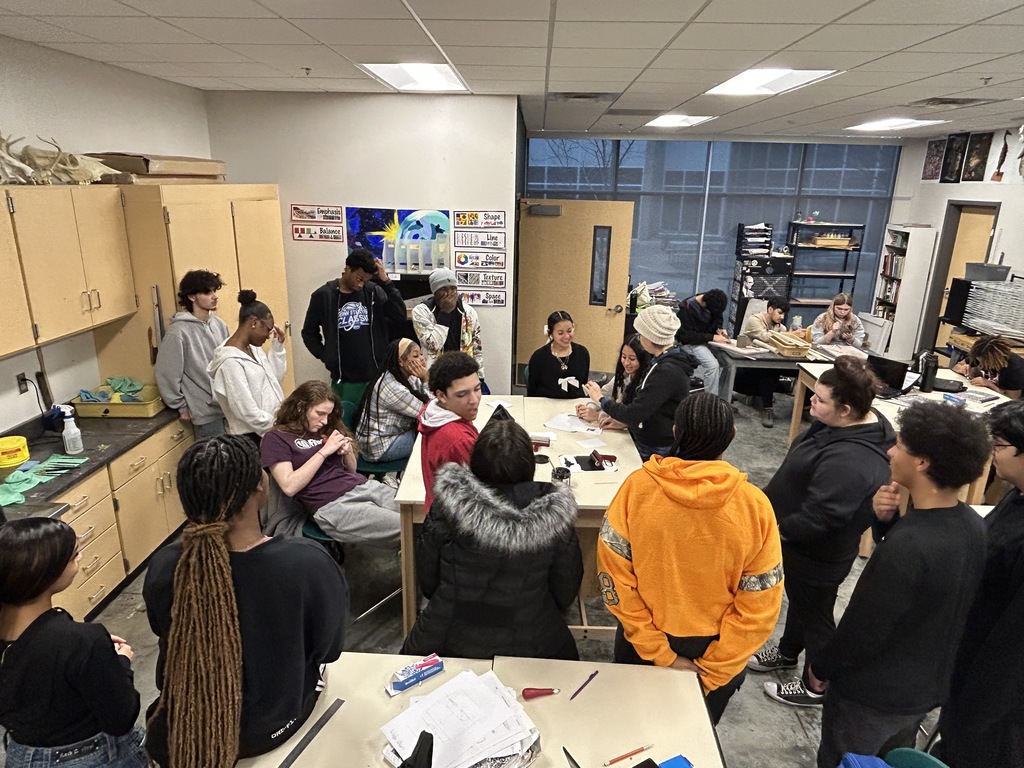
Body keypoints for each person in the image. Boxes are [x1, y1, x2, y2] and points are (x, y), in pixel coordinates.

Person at [145, 436, 349, 767]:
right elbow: (328, 650)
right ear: (260, 488)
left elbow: (160, 629)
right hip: (269, 728)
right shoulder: (307, 562)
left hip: (185, 730)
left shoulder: (167, 565)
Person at [807, 401, 989, 768]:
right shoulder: (971, 525)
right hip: (921, 690)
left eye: (900, 444)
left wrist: (821, 668)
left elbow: (865, 628)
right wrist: (887, 523)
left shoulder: (910, 546)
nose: (891, 451)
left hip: (871, 696)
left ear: (922, 462)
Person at [597, 393, 784, 724]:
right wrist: (713, 671)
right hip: (714, 648)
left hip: (641, 644)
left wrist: (661, 654)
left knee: (632, 730)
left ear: (675, 432)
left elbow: (614, 579)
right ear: (732, 436)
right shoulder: (755, 507)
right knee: (694, 739)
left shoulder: (637, 490)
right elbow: (761, 604)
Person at [753, 356, 895, 707]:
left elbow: (820, 519)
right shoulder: (849, 423)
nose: (810, 403)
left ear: (846, 410)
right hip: (799, 545)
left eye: (819, 400)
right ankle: (787, 652)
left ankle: (817, 684)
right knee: (802, 604)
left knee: (816, 616)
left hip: (815, 552)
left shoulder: (852, 461)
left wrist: (775, 532)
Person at [401, 420, 584, 660]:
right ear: (529, 464)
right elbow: (565, 592)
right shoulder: (554, 519)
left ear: (475, 461)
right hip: (533, 639)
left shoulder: (447, 508)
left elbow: (428, 582)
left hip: (449, 635)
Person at [0, 518, 147, 768]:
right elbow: (121, 718)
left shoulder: (73, 642)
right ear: (45, 573)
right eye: (74, 555)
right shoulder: (83, 641)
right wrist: (121, 662)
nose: (80, 557)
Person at [934, 400, 1024, 767]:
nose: (992, 454)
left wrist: (975, 715)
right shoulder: (1016, 494)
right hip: (968, 657)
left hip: (992, 700)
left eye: (999, 445)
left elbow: (1011, 648)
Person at [262, 381, 401, 548]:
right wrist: (324, 452)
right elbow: (289, 486)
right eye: (320, 413)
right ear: (300, 407)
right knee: (406, 527)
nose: (325, 421)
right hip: (331, 504)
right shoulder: (276, 438)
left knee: (419, 512)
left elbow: (352, 470)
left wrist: (347, 451)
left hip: (360, 486)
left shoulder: (323, 429)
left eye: (327, 415)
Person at [583, 305, 692, 461]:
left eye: (641, 334)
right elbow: (646, 408)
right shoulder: (661, 363)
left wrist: (601, 399)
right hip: (648, 436)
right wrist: (623, 423)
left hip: (657, 445)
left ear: (651, 337)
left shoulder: (667, 371)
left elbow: (634, 413)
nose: (639, 339)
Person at [301, 247, 406, 404]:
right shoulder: (324, 296)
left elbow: (399, 316)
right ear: (348, 269)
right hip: (344, 380)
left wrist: (386, 282)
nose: (361, 285)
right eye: (359, 279)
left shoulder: (373, 292)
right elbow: (309, 333)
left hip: (376, 376)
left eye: (365, 281)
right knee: (345, 417)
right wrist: (326, 356)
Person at [154, 269, 230, 439]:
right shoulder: (178, 332)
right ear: (191, 297)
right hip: (205, 412)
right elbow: (167, 373)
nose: (214, 296)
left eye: (214, 291)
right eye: (207, 292)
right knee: (213, 455)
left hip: (227, 407)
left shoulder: (219, 324)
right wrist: (179, 405)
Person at [207, 290, 287, 444]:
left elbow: (274, 380)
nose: (268, 335)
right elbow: (245, 411)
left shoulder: (253, 349)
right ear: (254, 322)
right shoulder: (230, 362)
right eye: (267, 329)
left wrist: (277, 348)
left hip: (270, 429)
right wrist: (277, 427)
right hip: (252, 436)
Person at [418, 351, 482, 514]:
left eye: (477, 389)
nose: (474, 399)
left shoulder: (432, 413)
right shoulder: (458, 440)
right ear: (441, 395)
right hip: (456, 521)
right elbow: (480, 495)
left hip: (438, 511)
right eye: (462, 394)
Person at [354, 338, 430, 463]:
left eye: (421, 354)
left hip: (392, 434)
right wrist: (426, 379)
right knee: (432, 438)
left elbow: (427, 399)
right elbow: (429, 413)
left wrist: (424, 380)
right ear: (401, 361)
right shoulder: (394, 388)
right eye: (416, 356)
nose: (422, 359)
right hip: (380, 447)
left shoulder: (404, 375)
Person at [737, 297, 804, 428]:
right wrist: (790, 335)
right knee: (768, 371)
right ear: (770, 309)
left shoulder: (780, 327)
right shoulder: (755, 320)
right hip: (751, 363)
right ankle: (767, 409)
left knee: (803, 370)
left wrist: (792, 336)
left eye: (784, 314)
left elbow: (782, 341)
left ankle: (805, 406)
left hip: (771, 361)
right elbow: (766, 337)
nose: (782, 317)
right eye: (780, 313)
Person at [412, 267, 486, 382]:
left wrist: (479, 377)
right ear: (435, 292)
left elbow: (477, 348)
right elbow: (433, 346)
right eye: (443, 289)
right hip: (436, 375)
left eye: (453, 288)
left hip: (463, 374)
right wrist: (445, 313)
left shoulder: (469, 312)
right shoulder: (421, 312)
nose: (449, 293)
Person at [576, 334, 652, 425]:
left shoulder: (646, 382)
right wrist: (589, 409)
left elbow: (631, 415)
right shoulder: (623, 375)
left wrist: (598, 416)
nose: (626, 363)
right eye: (624, 357)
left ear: (643, 360)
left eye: (632, 359)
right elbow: (604, 394)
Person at [676, 288, 730, 399]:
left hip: (707, 339)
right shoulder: (686, 309)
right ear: (704, 304)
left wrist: (719, 329)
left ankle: (723, 397)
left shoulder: (714, 302)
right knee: (712, 366)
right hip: (691, 343)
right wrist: (712, 337)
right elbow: (687, 337)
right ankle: (710, 400)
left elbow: (717, 318)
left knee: (728, 362)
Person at [526, 310, 590, 399]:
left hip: (575, 403)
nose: (567, 336)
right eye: (560, 333)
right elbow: (532, 393)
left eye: (569, 331)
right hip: (546, 404)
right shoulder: (539, 357)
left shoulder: (582, 353)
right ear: (550, 333)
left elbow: (583, 384)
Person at [952, 333, 1024, 399]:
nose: (981, 364)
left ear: (994, 359)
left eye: (984, 362)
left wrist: (989, 384)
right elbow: (956, 366)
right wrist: (962, 368)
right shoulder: (979, 354)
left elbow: (1012, 399)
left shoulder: (1015, 368)